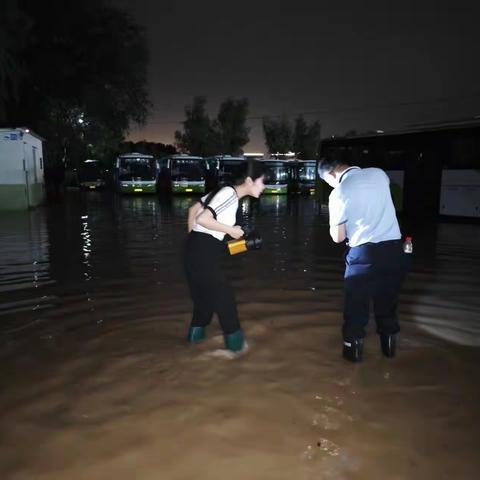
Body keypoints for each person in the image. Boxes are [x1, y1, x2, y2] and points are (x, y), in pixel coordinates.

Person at [317, 157, 409, 362]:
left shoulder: (338, 192)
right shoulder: (379, 173)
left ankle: (353, 370)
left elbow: (338, 237)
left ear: (331, 174)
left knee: (356, 314)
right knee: (387, 309)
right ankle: (390, 357)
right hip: (395, 252)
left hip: (363, 256)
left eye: (328, 182)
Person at [184, 161, 265, 355]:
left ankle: (189, 351)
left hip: (193, 251)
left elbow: (193, 211)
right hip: (201, 253)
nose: (264, 187)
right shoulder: (230, 195)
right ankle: (238, 355)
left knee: (204, 305)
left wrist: (194, 242)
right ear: (249, 181)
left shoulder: (222, 192)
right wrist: (231, 230)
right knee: (226, 303)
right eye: (262, 182)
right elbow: (203, 218)